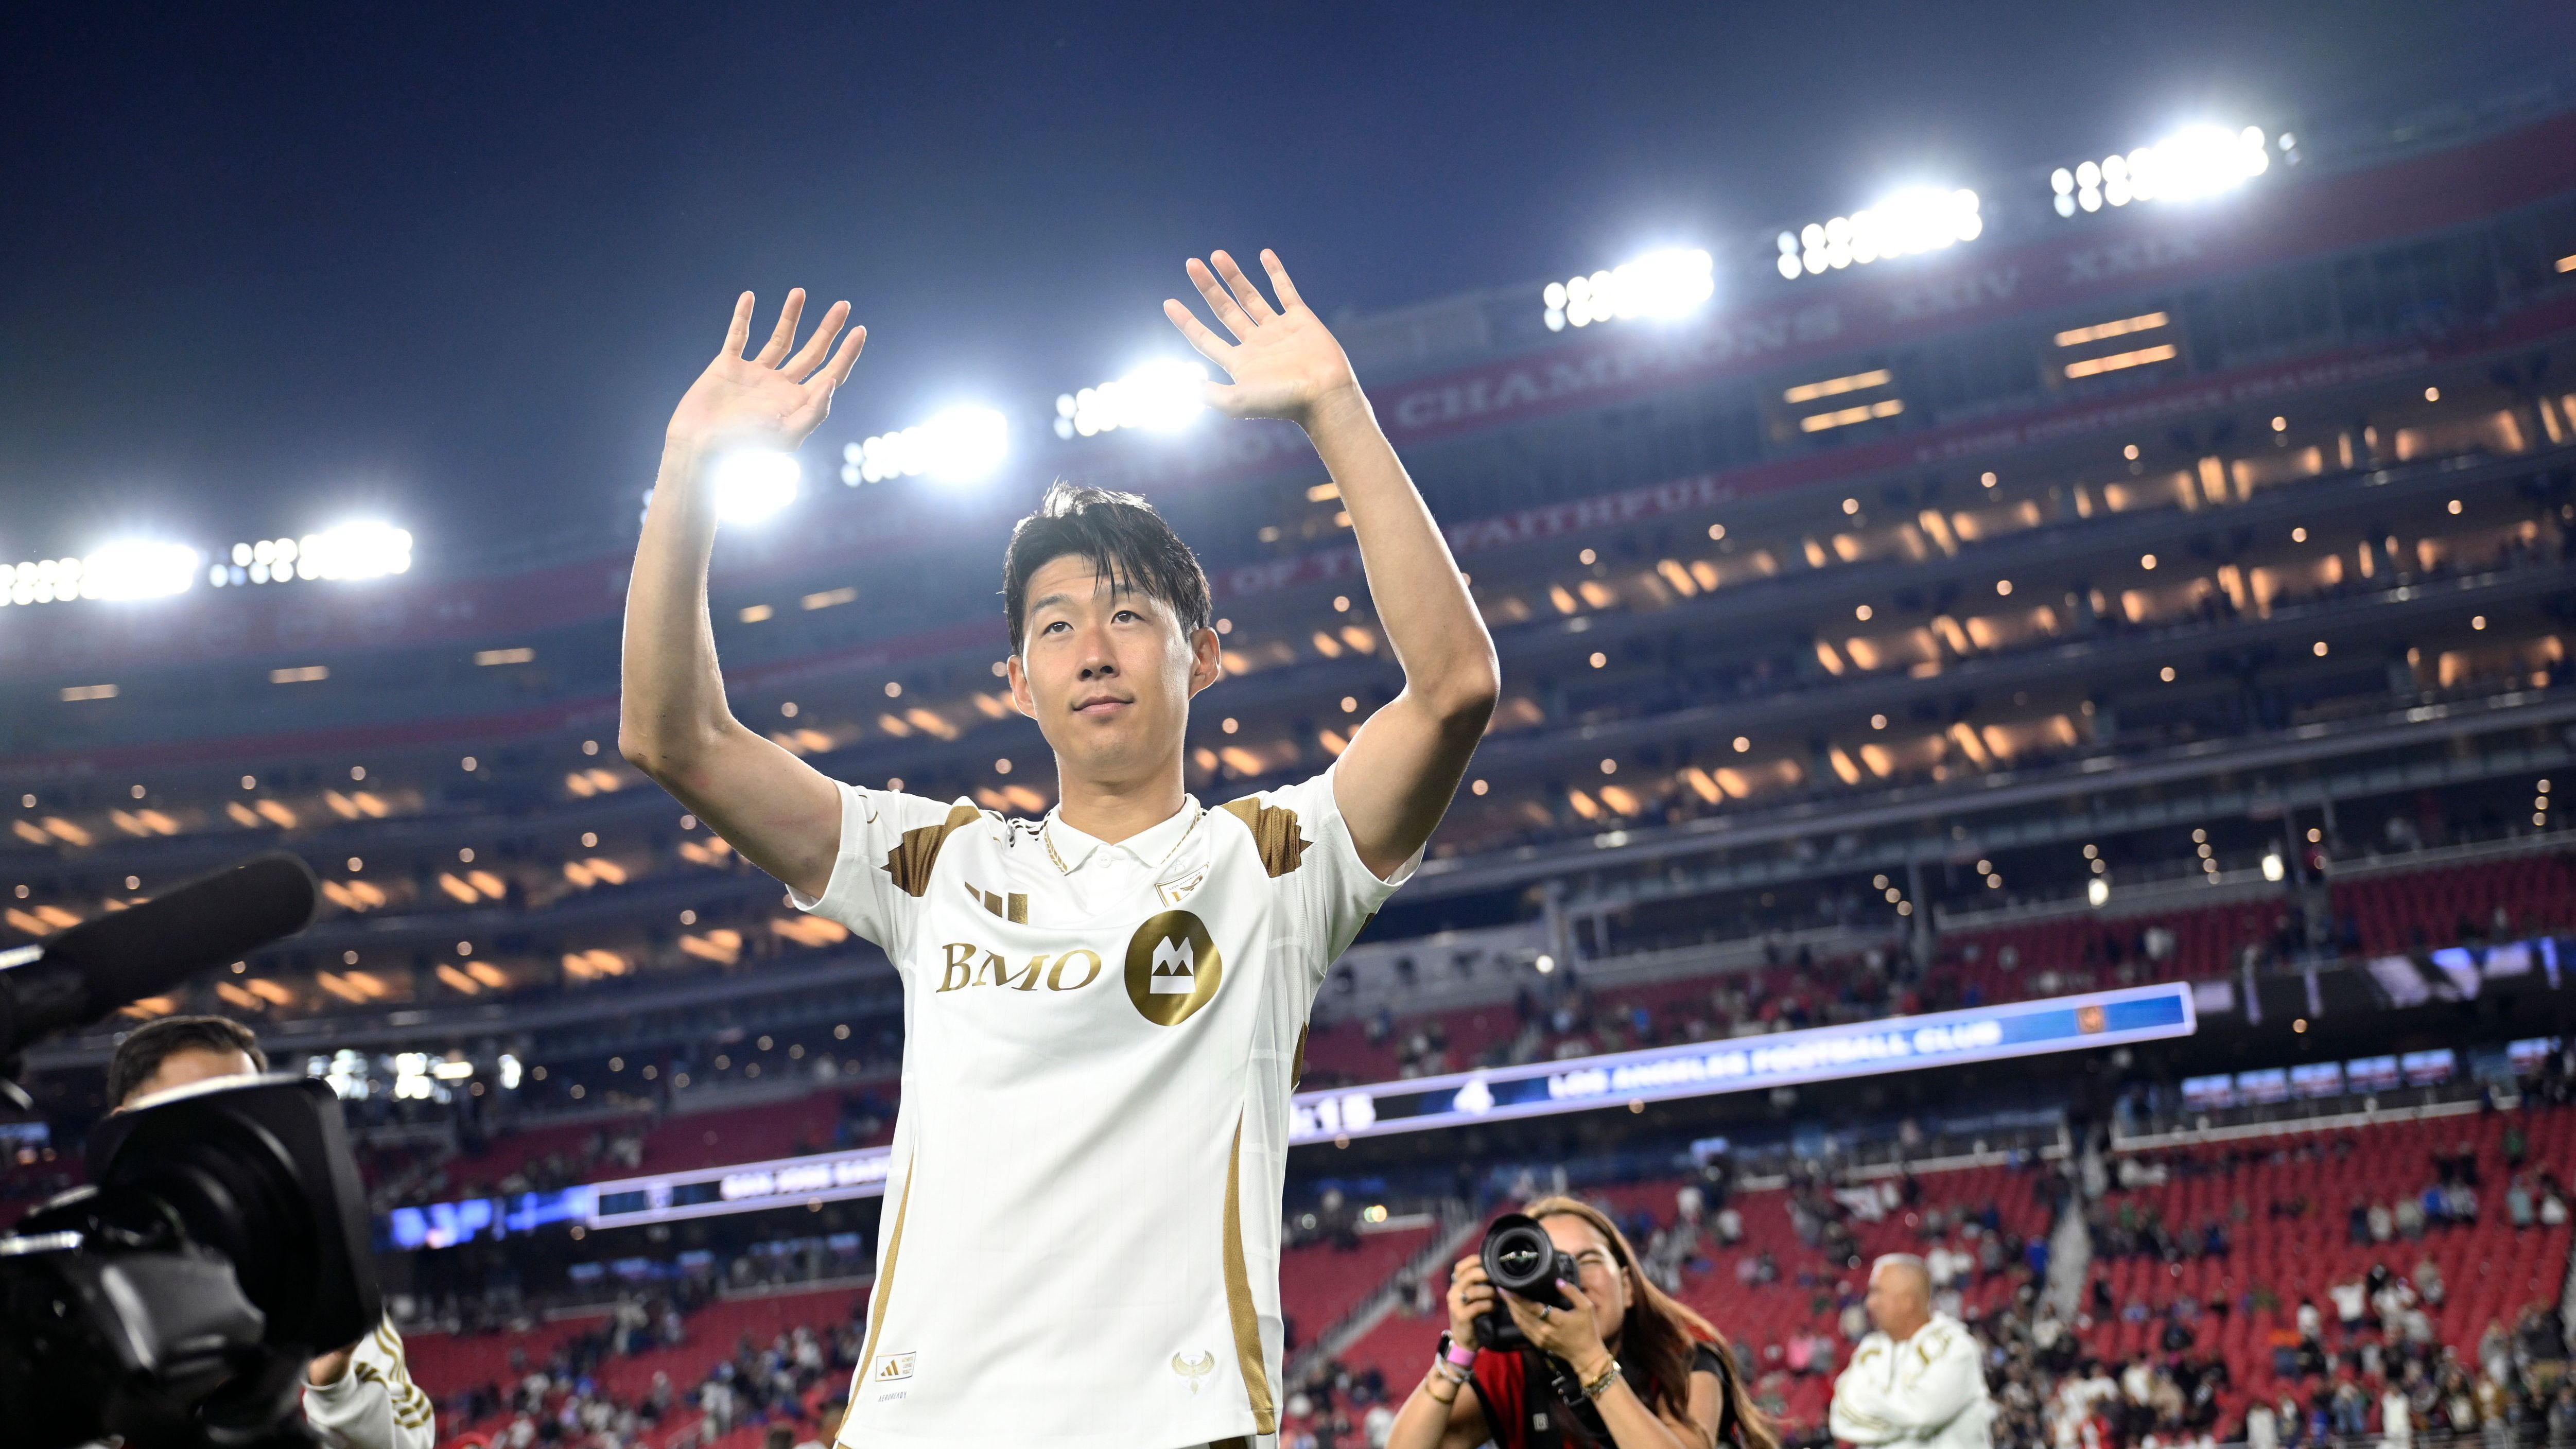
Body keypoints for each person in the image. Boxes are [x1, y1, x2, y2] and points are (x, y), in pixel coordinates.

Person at [620, 251, 1497, 1448]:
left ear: (1203, 654)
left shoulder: (1276, 862)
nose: (1093, 648)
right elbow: (676, 736)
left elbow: (1451, 689)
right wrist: (687, 474)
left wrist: (1334, 410)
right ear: (1016, 681)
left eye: (1130, 615)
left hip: (1172, 1426)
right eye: (1056, 625)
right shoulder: (934, 866)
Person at [106, 1015, 434, 1449]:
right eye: (190, 1110)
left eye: (241, 1109)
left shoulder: (322, 1276)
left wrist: (335, 1385)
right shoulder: (75, 1282)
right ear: (125, 1125)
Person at [1388, 1196, 1772, 1449]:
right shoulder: (1512, 1367)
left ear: (1628, 1285)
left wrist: (1589, 1359)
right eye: (1548, 1265)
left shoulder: (1684, 1356)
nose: (1569, 1280)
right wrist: (1459, 1353)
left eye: (1585, 1260)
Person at [1828, 1254, 1994, 1449]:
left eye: (1878, 1293)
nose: (1870, 1303)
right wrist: (1902, 1421)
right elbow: (1841, 1417)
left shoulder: (1956, 1348)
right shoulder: (1870, 1349)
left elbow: (1922, 1416)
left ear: (1907, 1301)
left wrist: (1870, 1413)